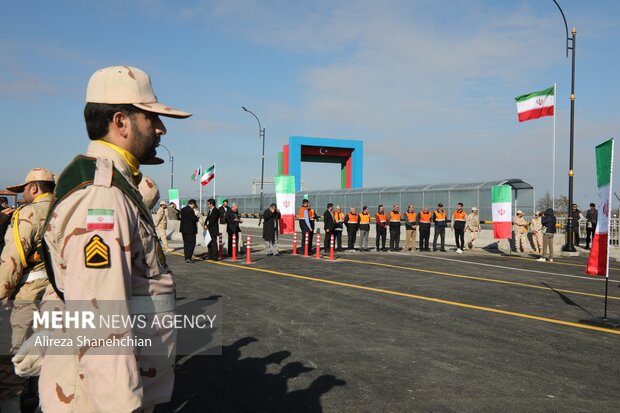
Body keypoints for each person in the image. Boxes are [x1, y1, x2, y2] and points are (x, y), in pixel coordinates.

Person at [37, 65, 191, 413]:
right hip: (96, 398)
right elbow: (98, 315)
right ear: (120, 122)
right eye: (151, 117)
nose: (161, 128)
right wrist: (122, 406)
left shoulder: (115, 186)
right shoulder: (101, 196)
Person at [0, 168, 55, 410]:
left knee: (10, 369)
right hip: (60, 297)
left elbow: (12, 261)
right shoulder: (67, 209)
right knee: (52, 365)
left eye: (23, 189)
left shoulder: (30, 213)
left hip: (28, 296)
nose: (22, 194)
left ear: (34, 188)